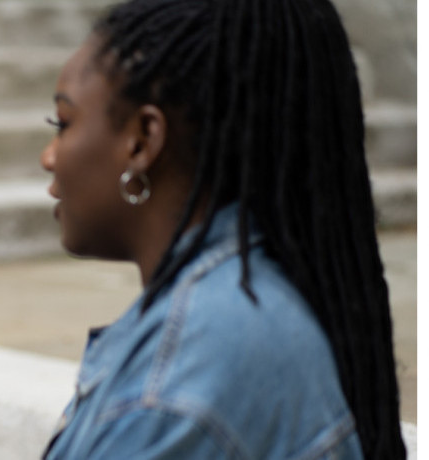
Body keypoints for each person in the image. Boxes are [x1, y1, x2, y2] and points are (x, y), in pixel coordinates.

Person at [38, 0, 406, 458]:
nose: (49, 157)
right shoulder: (252, 299)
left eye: (64, 123)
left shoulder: (176, 387)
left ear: (143, 141)